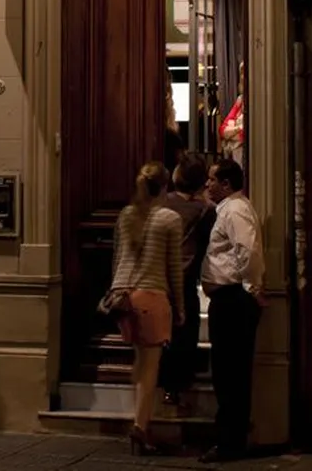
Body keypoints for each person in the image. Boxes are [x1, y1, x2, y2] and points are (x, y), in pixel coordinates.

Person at [104, 162, 184, 456]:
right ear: (165, 187)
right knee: (151, 368)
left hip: (122, 296)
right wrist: (180, 307)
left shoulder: (127, 215)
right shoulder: (169, 219)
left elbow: (116, 257)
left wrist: (116, 289)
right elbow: (173, 268)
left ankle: (140, 420)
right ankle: (140, 427)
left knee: (139, 361)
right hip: (151, 296)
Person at [200, 157, 264, 463]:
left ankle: (231, 443)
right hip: (227, 300)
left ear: (226, 184)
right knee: (226, 373)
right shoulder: (226, 210)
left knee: (231, 375)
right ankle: (229, 439)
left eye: (212, 179)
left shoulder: (235, 210)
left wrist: (249, 289)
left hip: (233, 301)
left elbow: (248, 251)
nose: (207, 184)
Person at [159, 152, 216, 408]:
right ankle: (180, 382)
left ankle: (163, 384)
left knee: (163, 332)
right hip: (184, 275)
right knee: (185, 329)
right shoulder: (205, 210)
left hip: (159, 277)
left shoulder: (161, 204)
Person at [219, 61, 245, 164]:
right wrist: (239, 128)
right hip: (235, 155)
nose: (242, 77)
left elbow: (245, 134)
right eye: (241, 73)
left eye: (245, 72)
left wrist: (232, 130)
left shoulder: (257, 102)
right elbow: (222, 130)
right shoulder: (240, 100)